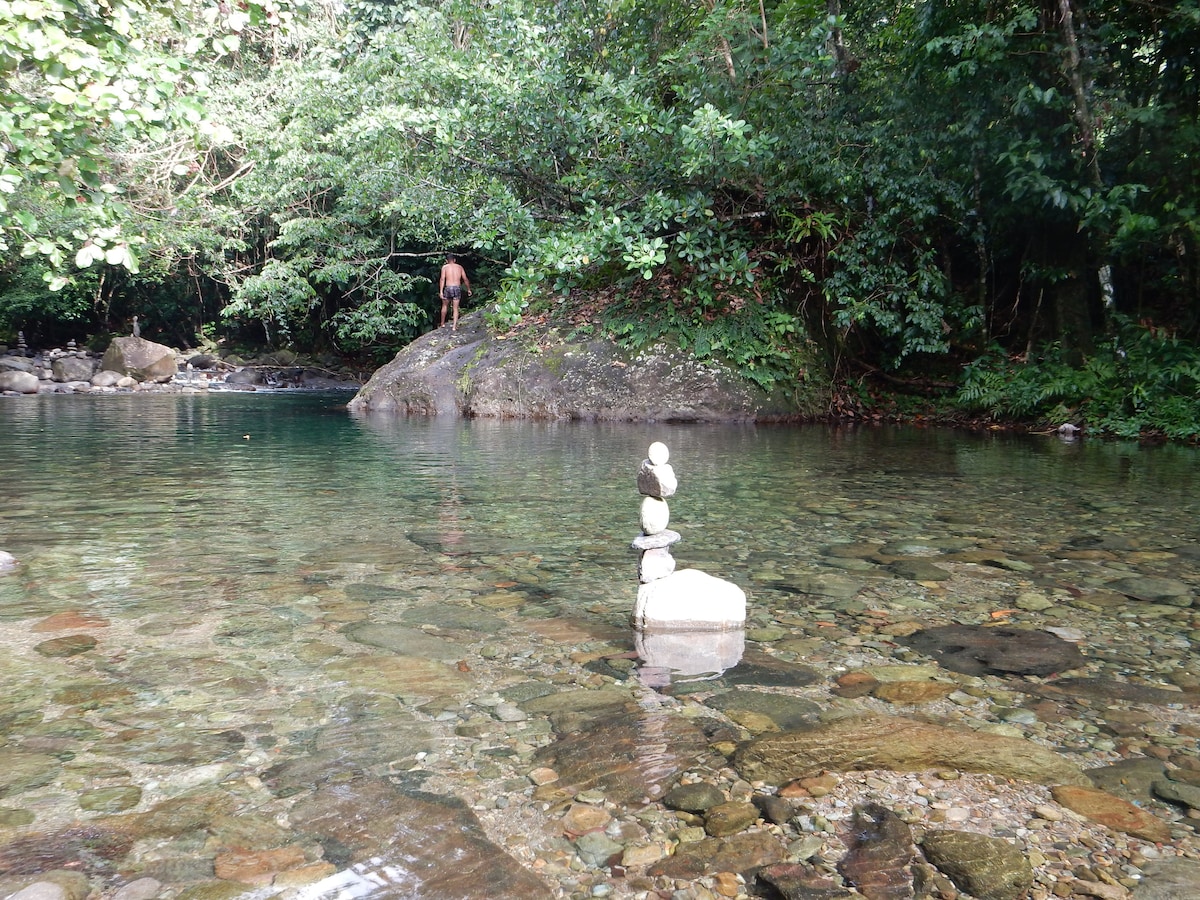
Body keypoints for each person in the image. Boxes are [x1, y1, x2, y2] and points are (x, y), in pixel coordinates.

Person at [438, 254, 472, 331]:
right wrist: (468, 289)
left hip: (448, 287)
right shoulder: (459, 267)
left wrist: (441, 291)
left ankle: (442, 323)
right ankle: (454, 326)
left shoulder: (445, 267)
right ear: (454, 260)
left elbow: (442, 279)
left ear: (446, 261)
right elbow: (465, 279)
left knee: (444, 306)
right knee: (455, 308)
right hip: (457, 288)